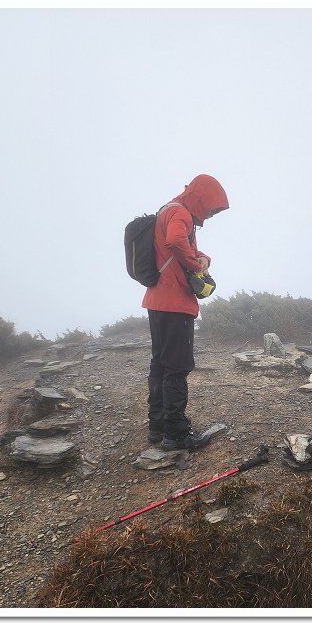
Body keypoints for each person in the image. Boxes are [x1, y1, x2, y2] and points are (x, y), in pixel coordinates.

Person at [142, 174, 229, 451]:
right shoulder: (181, 213)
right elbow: (177, 241)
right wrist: (195, 266)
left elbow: (179, 242)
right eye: (212, 209)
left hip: (157, 301)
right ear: (201, 198)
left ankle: (158, 426)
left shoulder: (169, 210)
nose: (211, 215)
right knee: (177, 369)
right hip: (175, 304)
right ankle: (176, 434)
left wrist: (203, 258)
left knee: (160, 364)